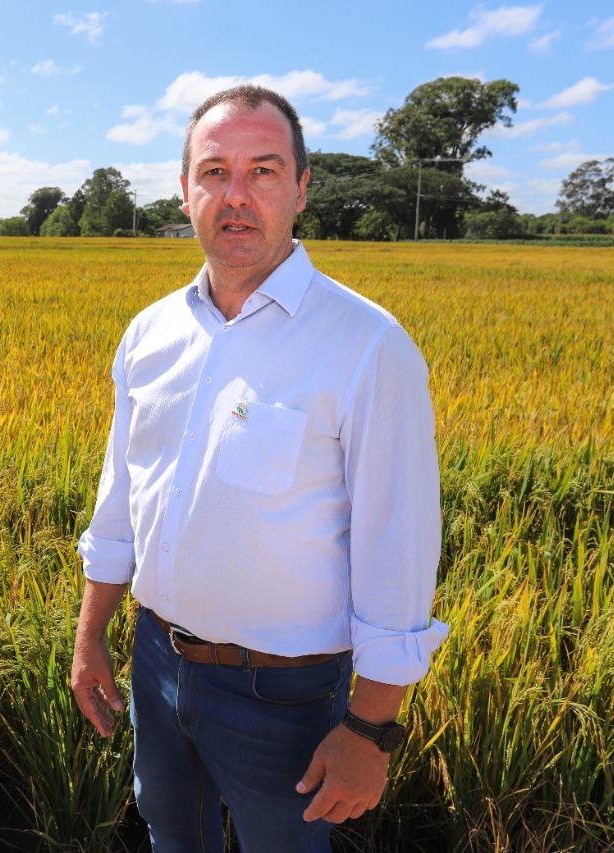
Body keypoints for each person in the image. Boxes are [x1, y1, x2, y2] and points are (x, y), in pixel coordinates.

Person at [71, 84, 449, 852]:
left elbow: (398, 552)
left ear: (303, 190)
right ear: (184, 192)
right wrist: (91, 635)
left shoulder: (367, 346)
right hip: (156, 659)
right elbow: (122, 499)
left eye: (264, 171)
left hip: (286, 693)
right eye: (214, 172)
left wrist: (371, 728)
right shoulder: (149, 334)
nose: (235, 196)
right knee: (171, 834)